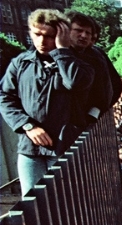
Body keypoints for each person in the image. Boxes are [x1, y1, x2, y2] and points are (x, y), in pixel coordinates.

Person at [0, 9, 93, 193]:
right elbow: (4, 96)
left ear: (61, 35)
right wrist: (27, 125)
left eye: (49, 36)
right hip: (30, 149)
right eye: (37, 34)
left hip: (63, 147)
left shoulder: (80, 65)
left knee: (64, 202)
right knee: (33, 202)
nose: (42, 41)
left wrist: (62, 51)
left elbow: (75, 82)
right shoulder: (20, 63)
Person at [65, 11, 122, 122]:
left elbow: (114, 85)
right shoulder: (49, 54)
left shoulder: (96, 56)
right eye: (79, 31)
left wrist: (95, 112)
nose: (84, 36)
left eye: (89, 34)